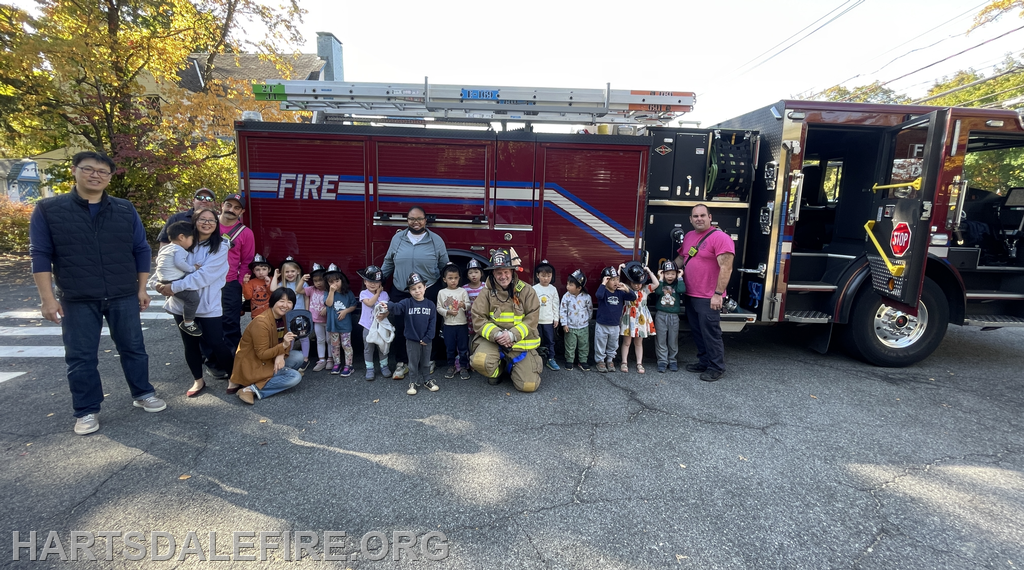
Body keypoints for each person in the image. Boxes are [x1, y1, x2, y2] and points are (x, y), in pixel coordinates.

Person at [30, 151, 166, 435]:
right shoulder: (48, 209)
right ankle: (86, 410)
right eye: (88, 169)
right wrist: (47, 298)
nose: (95, 175)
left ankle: (143, 394)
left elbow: (140, 249)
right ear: (74, 171)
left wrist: (142, 288)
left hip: (122, 293)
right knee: (81, 356)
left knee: (133, 348)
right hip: (77, 296)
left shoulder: (124, 209)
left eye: (103, 172)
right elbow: (41, 254)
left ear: (110, 177)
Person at [154, 208, 234, 397]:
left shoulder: (221, 246)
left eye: (212, 220)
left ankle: (234, 376)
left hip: (207, 304)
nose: (207, 223)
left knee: (217, 343)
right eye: (202, 219)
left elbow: (203, 276)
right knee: (190, 344)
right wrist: (157, 284)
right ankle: (198, 380)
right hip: (180, 305)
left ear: (217, 224)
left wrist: (173, 287)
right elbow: (163, 267)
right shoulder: (181, 244)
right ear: (194, 221)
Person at [380, 206, 450, 380]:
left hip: (427, 290)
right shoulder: (398, 238)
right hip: (401, 290)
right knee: (402, 326)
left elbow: (444, 265)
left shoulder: (436, 240)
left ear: (426, 220)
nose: (416, 222)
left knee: (429, 326)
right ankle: (402, 362)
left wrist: (450, 289)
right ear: (407, 220)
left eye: (419, 219)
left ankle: (429, 360)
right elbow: (388, 262)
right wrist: (379, 281)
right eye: (412, 219)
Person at [673, 204, 735, 382]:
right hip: (691, 294)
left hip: (709, 296)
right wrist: (665, 270)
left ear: (710, 217)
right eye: (695, 216)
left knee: (710, 332)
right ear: (690, 219)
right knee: (698, 331)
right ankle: (704, 361)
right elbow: (682, 258)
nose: (699, 219)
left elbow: (726, 268)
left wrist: (717, 294)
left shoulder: (721, 238)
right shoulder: (690, 236)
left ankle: (716, 367)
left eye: (702, 215)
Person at [469, 249, 543, 392]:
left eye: (506, 272)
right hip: (493, 342)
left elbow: (532, 317)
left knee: (529, 386)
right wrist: (497, 335)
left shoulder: (526, 291)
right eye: (498, 272)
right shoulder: (486, 293)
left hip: (520, 342)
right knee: (480, 361)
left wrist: (512, 335)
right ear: (493, 274)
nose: (503, 276)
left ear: (512, 271)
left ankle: (515, 368)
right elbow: (478, 318)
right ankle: (498, 369)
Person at [231, 287, 305, 405]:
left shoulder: (284, 318)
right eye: (281, 301)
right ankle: (250, 389)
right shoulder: (261, 323)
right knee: (295, 378)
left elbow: (286, 340)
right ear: (273, 301)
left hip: (271, 357)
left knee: (299, 356)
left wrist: (280, 354)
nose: (285, 305)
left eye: (289, 302)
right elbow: (262, 354)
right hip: (255, 363)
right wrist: (283, 346)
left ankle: (279, 375)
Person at [382, 272, 438, 395]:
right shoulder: (406, 303)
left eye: (419, 287)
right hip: (412, 340)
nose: (417, 291)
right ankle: (413, 382)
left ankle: (427, 380)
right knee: (412, 363)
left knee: (426, 361)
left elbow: (433, 323)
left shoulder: (430, 305)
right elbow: (397, 308)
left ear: (425, 287)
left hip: (426, 340)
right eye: (413, 289)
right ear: (409, 291)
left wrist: (428, 337)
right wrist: (388, 305)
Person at [148, 220, 202, 336]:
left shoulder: (166, 248)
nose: (192, 242)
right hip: (174, 280)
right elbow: (180, 264)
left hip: (163, 279)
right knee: (193, 298)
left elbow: (158, 261)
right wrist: (193, 268)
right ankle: (188, 322)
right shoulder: (179, 250)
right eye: (192, 239)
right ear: (182, 237)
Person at [218, 192, 255, 354]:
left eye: (236, 208)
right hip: (204, 283)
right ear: (222, 205)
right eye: (228, 205)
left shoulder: (246, 233)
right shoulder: (208, 225)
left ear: (242, 212)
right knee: (205, 322)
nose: (231, 209)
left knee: (230, 323)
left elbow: (247, 261)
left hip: (229, 284)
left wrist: (238, 285)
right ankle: (211, 359)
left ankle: (234, 359)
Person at [594, 266, 636, 373]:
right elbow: (598, 295)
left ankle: (610, 360)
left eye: (617, 279)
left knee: (613, 344)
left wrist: (627, 289)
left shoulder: (620, 292)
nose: (615, 282)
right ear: (606, 280)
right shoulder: (603, 291)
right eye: (612, 280)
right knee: (600, 344)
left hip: (615, 325)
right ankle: (600, 361)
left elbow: (633, 297)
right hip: (602, 324)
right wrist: (603, 284)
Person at [619, 261, 658, 374]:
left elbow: (656, 284)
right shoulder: (626, 287)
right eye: (634, 282)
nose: (637, 285)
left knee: (638, 342)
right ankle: (624, 362)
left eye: (639, 282)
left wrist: (649, 271)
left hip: (641, 318)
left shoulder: (645, 289)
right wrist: (619, 269)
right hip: (629, 318)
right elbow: (616, 283)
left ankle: (639, 363)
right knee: (627, 342)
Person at [272, 256, 309, 370]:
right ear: (283, 273)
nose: (290, 274)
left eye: (292, 271)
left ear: (298, 272)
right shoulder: (283, 285)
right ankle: (290, 355)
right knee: (289, 336)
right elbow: (273, 289)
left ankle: (305, 359)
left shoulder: (303, 284)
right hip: (288, 316)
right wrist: (275, 276)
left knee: (304, 337)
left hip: (301, 314)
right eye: (286, 272)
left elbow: (306, 297)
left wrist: (307, 311)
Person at [436, 263, 470, 380]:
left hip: (462, 324)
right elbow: (439, 308)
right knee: (450, 347)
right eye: (450, 278)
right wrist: (447, 312)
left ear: (459, 278)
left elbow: (469, 305)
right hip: (448, 325)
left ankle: (463, 366)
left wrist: (463, 305)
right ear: (445, 279)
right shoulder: (442, 292)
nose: (453, 281)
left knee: (463, 347)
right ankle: (451, 366)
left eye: (456, 278)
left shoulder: (462, 291)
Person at [357, 264, 392, 381]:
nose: (372, 284)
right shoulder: (363, 294)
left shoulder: (385, 295)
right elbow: (369, 303)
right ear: (365, 282)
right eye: (369, 281)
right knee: (368, 348)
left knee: (382, 346)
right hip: (368, 326)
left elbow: (387, 309)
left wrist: (385, 315)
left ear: (380, 283)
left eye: (376, 282)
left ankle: (384, 366)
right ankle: (370, 368)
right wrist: (377, 293)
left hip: (380, 325)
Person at [654, 260, 687, 373]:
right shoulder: (662, 284)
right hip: (661, 315)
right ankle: (662, 361)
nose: (670, 276)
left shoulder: (677, 285)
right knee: (661, 339)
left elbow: (682, 290)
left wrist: (680, 277)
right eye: (667, 273)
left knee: (673, 340)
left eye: (673, 273)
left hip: (674, 316)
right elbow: (658, 291)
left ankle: (672, 360)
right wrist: (660, 278)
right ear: (663, 273)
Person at [324, 264, 356, 376]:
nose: (334, 284)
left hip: (345, 325)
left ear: (342, 280)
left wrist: (346, 311)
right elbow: (328, 304)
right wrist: (331, 292)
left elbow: (354, 305)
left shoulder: (348, 293)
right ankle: (337, 363)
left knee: (346, 345)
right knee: (335, 345)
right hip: (332, 325)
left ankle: (349, 365)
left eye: (337, 281)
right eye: (331, 282)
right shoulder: (327, 293)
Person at [559, 269, 593, 371]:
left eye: (570, 285)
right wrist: (564, 324)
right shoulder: (566, 297)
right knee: (570, 345)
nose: (567, 287)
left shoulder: (586, 297)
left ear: (579, 287)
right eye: (567, 284)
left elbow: (590, 309)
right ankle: (569, 361)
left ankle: (583, 361)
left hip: (583, 326)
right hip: (570, 326)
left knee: (584, 345)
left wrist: (587, 320)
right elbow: (563, 311)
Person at [532, 260, 560, 371]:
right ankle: (533, 359)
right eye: (543, 275)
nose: (546, 278)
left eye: (549, 276)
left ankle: (551, 359)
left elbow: (555, 304)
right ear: (537, 275)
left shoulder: (553, 289)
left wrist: (556, 318)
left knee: (550, 341)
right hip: (536, 321)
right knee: (535, 340)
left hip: (548, 320)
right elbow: (530, 305)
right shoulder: (534, 289)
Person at [302, 263, 330, 371]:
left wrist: (327, 308)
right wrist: (302, 280)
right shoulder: (311, 289)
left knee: (329, 340)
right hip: (317, 320)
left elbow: (334, 302)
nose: (318, 283)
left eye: (320, 280)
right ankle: (321, 359)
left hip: (328, 320)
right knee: (320, 340)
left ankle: (330, 359)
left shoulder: (329, 291)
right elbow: (299, 290)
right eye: (315, 280)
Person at [242, 254, 273, 319]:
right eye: (257, 270)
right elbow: (248, 297)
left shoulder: (272, 280)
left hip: (270, 314)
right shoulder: (251, 282)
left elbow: (274, 295)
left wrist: (268, 284)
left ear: (269, 270)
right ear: (253, 271)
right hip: (256, 314)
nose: (261, 272)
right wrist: (246, 283)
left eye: (264, 269)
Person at [463, 259, 486, 337]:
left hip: (482, 318)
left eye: (476, 272)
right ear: (467, 276)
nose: (473, 275)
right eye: (470, 273)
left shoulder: (486, 287)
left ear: (481, 273)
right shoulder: (464, 289)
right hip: (469, 319)